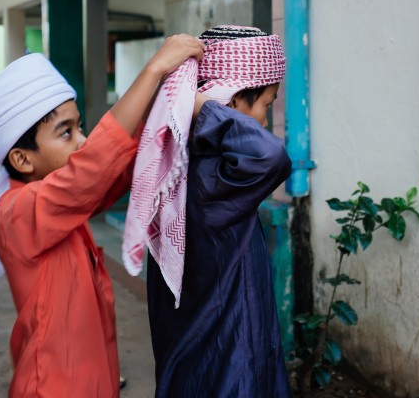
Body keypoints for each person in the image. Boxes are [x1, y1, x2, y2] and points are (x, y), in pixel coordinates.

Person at [0, 35, 204, 397]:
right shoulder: (17, 213)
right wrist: (153, 70)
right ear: (22, 159)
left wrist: (170, 105)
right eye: (66, 133)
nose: (82, 140)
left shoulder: (60, 204)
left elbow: (114, 173)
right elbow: (91, 169)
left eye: (79, 126)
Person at [123, 25, 292, 397]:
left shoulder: (176, 175)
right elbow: (271, 157)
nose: (266, 121)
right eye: (267, 104)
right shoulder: (207, 179)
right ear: (230, 103)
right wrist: (207, 110)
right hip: (231, 371)